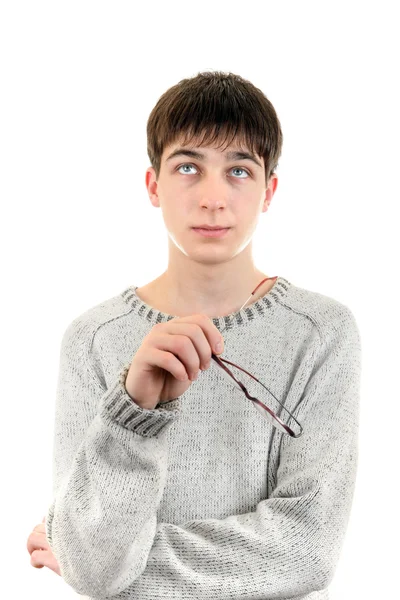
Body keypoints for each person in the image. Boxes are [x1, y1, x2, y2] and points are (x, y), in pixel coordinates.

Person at [27, 71, 362, 599]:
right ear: (153, 185)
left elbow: (307, 549)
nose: (213, 198)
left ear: (269, 191)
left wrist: (110, 564)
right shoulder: (93, 339)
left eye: (238, 170)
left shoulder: (320, 332)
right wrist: (133, 411)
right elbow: (90, 562)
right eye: (188, 167)